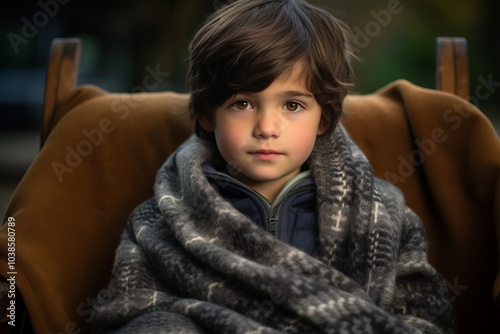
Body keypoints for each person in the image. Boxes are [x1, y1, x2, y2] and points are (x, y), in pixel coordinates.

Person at [92, 0, 455, 332]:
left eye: (292, 106)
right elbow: (132, 308)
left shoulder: (382, 212)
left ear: (324, 118)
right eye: (242, 104)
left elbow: (421, 313)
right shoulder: (161, 220)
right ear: (206, 115)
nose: (267, 128)